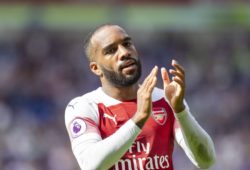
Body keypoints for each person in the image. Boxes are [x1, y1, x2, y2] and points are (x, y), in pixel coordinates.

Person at [64, 24, 216, 170]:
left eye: (127, 43)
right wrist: (139, 118)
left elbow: (206, 160)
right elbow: (90, 165)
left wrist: (180, 111)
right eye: (111, 50)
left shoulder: (165, 99)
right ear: (96, 68)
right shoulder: (84, 106)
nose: (124, 52)